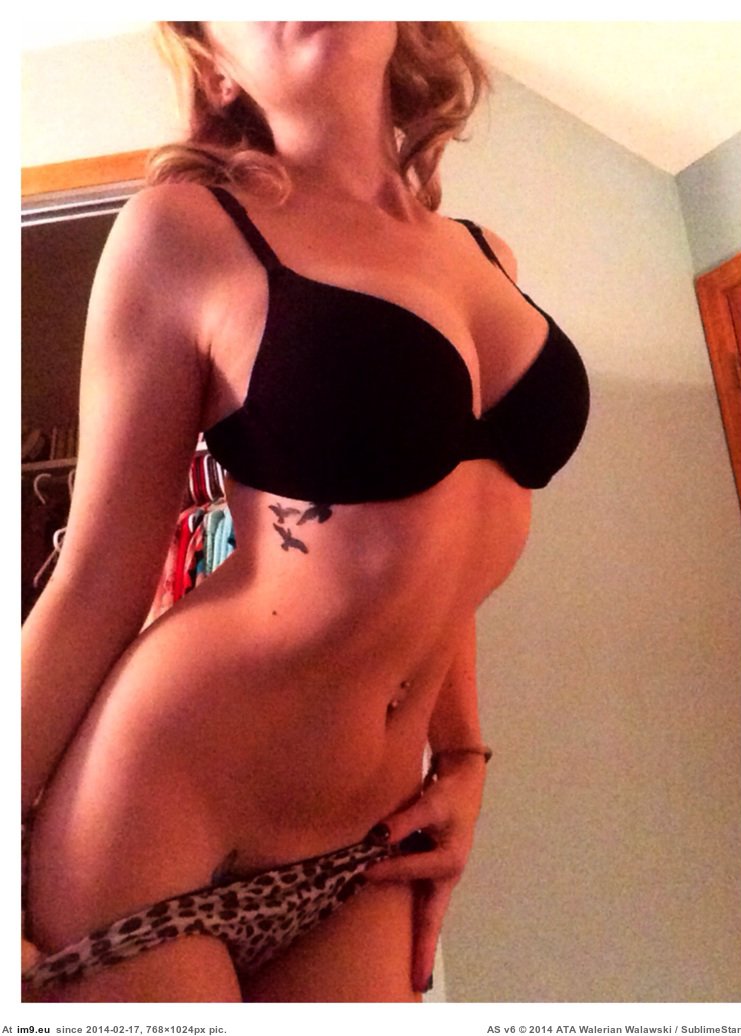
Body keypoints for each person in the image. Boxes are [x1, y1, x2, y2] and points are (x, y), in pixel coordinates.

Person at [21, 21, 589, 1003]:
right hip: (161, 810)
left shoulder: (486, 253)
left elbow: (439, 556)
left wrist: (463, 756)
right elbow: (95, 583)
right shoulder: (184, 230)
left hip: (364, 841)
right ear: (214, 64)